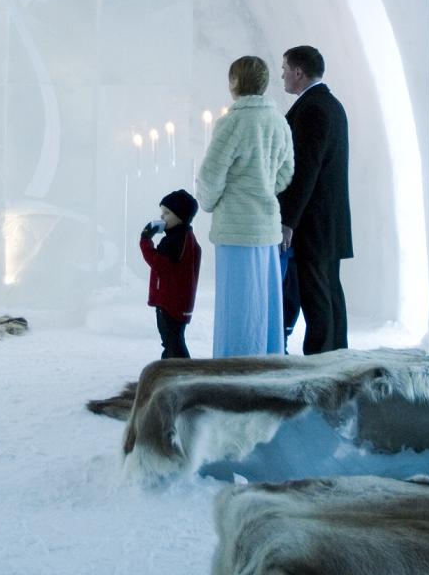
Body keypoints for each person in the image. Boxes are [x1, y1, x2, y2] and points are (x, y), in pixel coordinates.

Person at [196, 56, 294, 357]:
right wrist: (264, 188)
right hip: (266, 227)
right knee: (263, 305)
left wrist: (209, 202)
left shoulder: (233, 122)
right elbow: (286, 171)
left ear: (234, 82)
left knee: (237, 308)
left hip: (236, 228)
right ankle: (266, 365)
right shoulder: (279, 122)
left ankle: (235, 369)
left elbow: (210, 175)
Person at [277, 45, 352, 353]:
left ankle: (321, 360)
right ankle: (336, 356)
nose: (282, 75)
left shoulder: (313, 108)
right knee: (330, 293)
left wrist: (288, 221)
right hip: (328, 221)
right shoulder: (331, 104)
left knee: (317, 297)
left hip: (314, 221)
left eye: (284, 69)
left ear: (298, 72)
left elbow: (306, 169)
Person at [139, 189, 202, 359]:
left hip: (169, 303)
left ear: (181, 216)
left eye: (167, 213)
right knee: (173, 341)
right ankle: (171, 368)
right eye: (162, 212)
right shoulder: (188, 237)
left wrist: (145, 240)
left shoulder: (175, 240)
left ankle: (181, 371)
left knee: (172, 343)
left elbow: (159, 263)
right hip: (180, 302)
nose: (162, 217)